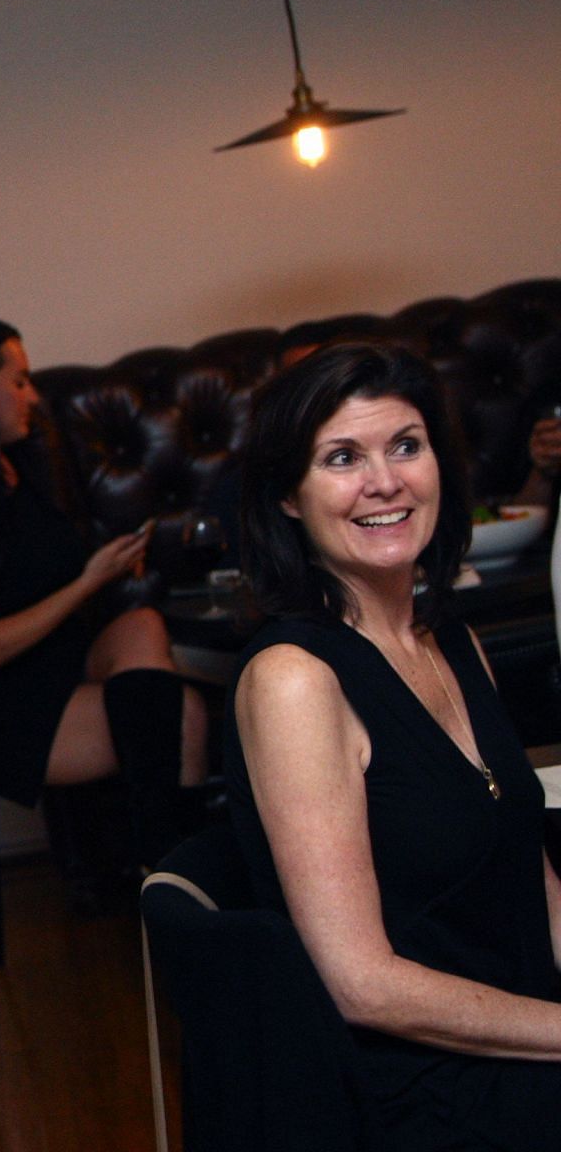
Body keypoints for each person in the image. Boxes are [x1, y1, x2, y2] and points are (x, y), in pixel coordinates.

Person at [227, 342, 561, 1150]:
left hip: (525, 1043)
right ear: (286, 498)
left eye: (406, 445)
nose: (385, 481)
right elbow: (364, 987)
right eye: (343, 458)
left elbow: (536, 883)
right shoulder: (295, 681)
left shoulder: (452, 640)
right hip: (425, 1091)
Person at [0, 316, 207, 869]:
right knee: (178, 715)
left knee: (143, 628)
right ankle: (172, 871)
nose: (32, 397)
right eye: (18, 382)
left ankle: (166, 867)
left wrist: (110, 569)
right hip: (3, 710)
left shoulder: (14, 469)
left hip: (58, 665)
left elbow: (46, 572)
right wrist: (87, 580)